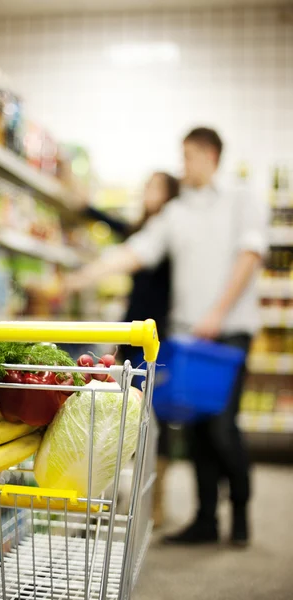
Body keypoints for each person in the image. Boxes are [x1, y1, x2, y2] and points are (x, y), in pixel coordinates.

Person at [65, 127, 268, 546]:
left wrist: (217, 312)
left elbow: (250, 255)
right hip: (187, 337)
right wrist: (81, 277)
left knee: (222, 427)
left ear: (210, 154)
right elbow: (138, 250)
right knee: (193, 429)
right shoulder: (178, 212)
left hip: (228, 333)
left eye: (189, 156)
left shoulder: (241, 198)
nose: (183, 165)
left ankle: (242, 512)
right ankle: (206, 521)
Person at [84, 172, 179, 527]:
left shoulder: (170, 234)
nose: (146, 191)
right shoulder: (144, 230)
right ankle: (111, 496)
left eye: (154, 186)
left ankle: (155, 504)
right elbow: (117, 227)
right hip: (130, 334)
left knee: (154, 421)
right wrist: (85, 206)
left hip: (156, 339)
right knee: (117, 414)